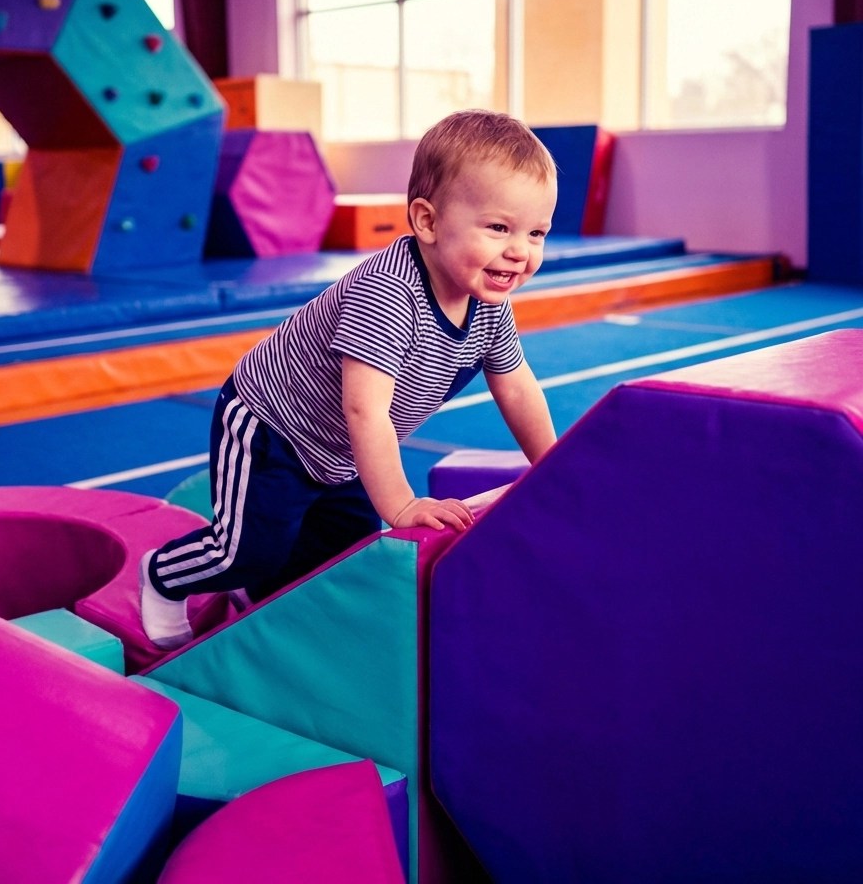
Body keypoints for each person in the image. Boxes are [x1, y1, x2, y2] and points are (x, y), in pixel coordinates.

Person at [139, 108, 559, 648]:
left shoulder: (488, 305)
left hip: (343, 451)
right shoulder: (388, 293)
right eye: (499, 228)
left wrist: (552, 465)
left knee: (340, 555)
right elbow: (365, 410)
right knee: (247, 550)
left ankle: (257, 591)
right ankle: (164, 574)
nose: (520, 251)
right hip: (274, 427)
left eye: (537, 233)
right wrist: (403, 505)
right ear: (427, 222)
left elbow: (517, 385)